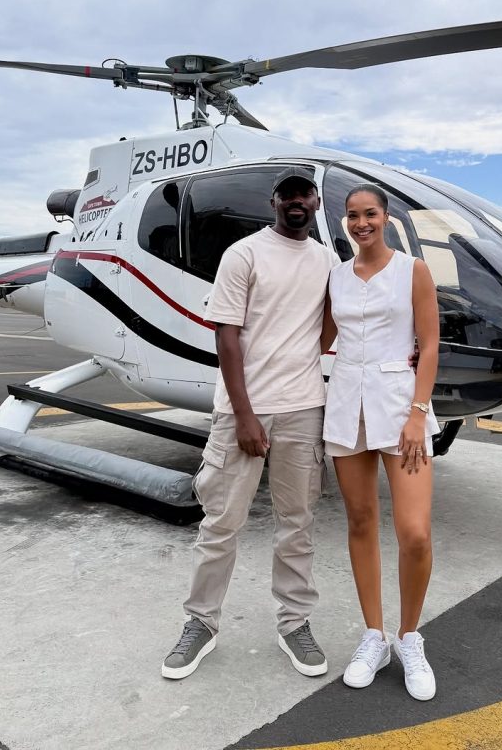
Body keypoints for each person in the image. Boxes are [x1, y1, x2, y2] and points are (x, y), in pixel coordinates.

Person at [162, 166, 338, 681]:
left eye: (304, 194)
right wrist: (244, 415)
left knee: (298, 525)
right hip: (243, 410)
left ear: (316, 203)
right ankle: (201, 623)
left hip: (304, 407)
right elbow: (227, 337)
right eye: (287, 196)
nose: (296, 202)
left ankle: (294, 622)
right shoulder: (244, 254)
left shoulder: (327, 260)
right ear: (274, 203)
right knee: (220, 524)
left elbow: (325, 332)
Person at [320, 183, 440, 701]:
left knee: (414, 532)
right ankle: (375, 636)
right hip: (347, 402)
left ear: (386, 218)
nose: (361, 222)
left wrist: (417, 413)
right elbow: (319, 339)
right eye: (352, 215)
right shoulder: (337, 277)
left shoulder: (413, 271)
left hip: (400, 406)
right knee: (361, 521)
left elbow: (430, 342)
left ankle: (410, 636)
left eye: (370, 214)